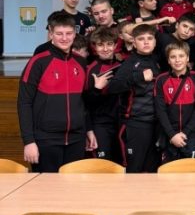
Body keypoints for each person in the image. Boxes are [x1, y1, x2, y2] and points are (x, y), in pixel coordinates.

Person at [18, 12, 97, 172]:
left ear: (74, 34)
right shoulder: (38, 62)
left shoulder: (81, 62)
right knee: (46, 187)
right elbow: (24, 103)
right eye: (59, 33)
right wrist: (29, 141)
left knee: (72, 186)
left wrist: (88, 130)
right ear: (51, 34)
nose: (64, 38)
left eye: (68, 33)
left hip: (76, 139)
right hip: (45, 140)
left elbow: (83, 101)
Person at [107, 23, 162, 172]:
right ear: (134, 42)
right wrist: (139, 77)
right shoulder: (130, 63)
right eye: (141, 39)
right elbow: (112, 87)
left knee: (152, 170)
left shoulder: (157, 61)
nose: (146, 42)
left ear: (155, 42)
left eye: (150, 38)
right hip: (135, 124)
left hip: (156, 124)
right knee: (134, 169)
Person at [154, 42, 195, 163]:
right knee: (168, 172)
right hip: (169, 135)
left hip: (191, 135)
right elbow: (160, 110)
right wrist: (172, 135)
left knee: (191, 171)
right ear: (168, 60)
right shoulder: (161, 80)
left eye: (181, 56)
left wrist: (185, 133)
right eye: (173, 57)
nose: (177, 60)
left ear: (187, 58)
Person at [85, 26, 122, 162]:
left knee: (120, 164)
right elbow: (84, 103)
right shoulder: (91, 69)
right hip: (100, 125)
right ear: (94, 46)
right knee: (103, 164)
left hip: (120, 124)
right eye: (101, 45)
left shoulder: (122, 66)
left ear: (115, 45)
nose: (105, 49)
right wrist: (96, 89)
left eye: (109, 44)